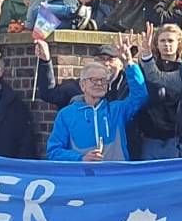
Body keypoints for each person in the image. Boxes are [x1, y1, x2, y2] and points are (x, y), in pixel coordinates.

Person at [47, 32, 150, 161]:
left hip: (115, 176)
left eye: (103, 80)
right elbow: (54, 152)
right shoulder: (66, 114)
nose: (99, 84)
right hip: (83, 177)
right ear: (82, 84)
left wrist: (129, 63)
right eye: (93, 80)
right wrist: (81, 158)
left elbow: (140, 96)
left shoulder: (117, 110)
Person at [130, 24, 182, 159]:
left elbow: (159, 79)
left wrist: (147, 57)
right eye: (162, 41)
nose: (166, 44)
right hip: (149, 136)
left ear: (179, 44)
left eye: (170, 41)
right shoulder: (144, 67)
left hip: (174, 137)